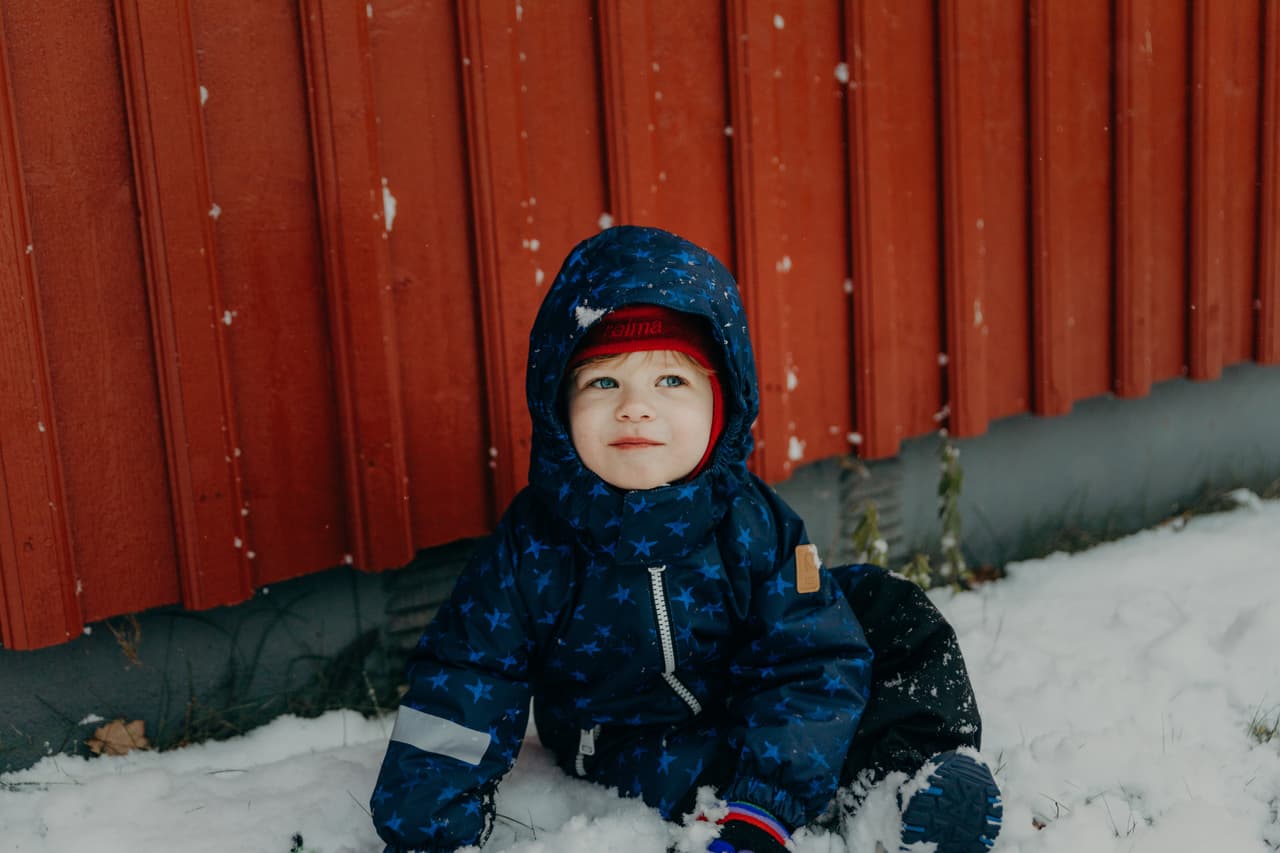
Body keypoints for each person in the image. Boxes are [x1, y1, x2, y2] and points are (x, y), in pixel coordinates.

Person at [370, 226, 1002, 853]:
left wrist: (778, 778)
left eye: (671, 382)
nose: (635, 407)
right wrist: (429, 827)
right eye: (603, 383)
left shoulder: (754, 521)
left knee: (876, 607)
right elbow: (465, 674)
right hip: (635, 740)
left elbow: (810, 658)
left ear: (722, 403)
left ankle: (908, 780)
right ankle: (799, 797)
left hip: (756, 699)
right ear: (557, 408)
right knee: (709, 759)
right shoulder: (533, 547)